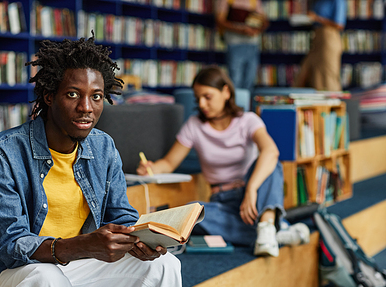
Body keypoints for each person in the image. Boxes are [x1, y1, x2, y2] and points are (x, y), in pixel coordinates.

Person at [0, 36, 188, 287]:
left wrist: (142, 239)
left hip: (73, 277)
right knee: (46, 279)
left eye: (95, 96)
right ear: (49, 96)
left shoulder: (104, 148)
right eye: (72, 94)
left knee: (164, 268)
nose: (86, 107)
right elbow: (10, 243)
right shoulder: (4, 152)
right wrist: (83, 246)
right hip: (13, 286)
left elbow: (120, 215)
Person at [137, 66, 310, 257]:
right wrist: (151, 168)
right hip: (222, 202)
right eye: (198, 98)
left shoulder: (248, 120)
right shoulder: (194, 125)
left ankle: (266, 225)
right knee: (192, 214)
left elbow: (271, 151)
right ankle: (273, 233)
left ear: (226, 92)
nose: (202, 104)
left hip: (253, 197)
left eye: (208, 97)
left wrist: (251, 189)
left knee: (271, 164)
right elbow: (169, 163)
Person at [215, 0, 269, 93]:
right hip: (234, 44)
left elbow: (265, 21)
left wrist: (256, 30)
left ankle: (246, 106)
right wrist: (241, 30)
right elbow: (220, 21)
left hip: (253, 44)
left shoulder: (254, 2)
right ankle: (235, 106)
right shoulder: (227, 1)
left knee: (250, 80)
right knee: (235, 80)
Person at [293, 0, 347, 91]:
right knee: (305, 74)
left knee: (327, 76)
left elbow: (339, 25)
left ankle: (333, 104)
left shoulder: (338, 1)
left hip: (329, 39)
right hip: (316, 38)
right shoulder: (317, 1)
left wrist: (317, 18)